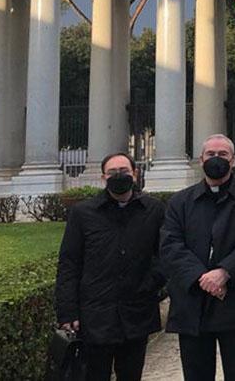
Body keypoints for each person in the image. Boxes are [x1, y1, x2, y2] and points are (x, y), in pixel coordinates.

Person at [160, 134, 235, 381]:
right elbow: (170, 244)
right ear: (201, 159)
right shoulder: (180, 201)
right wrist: (202, 277)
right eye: (210, 154)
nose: (216, 158)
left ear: (234, 161)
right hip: (193, 301)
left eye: (223, 154)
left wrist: (225, 271)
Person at [55, 152, 165, 381]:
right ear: (103, 177)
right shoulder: (83, 213)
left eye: (124, 171)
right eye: (112, 172)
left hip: (137, 312)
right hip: (95, 316)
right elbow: (69, 263)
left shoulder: (153, 210)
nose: (118, 176)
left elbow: (164, 255)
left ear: (135, 174)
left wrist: (151, 283)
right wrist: (67, 311)